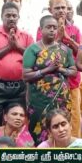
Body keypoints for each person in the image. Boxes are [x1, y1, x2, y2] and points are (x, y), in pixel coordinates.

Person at [23, 15, 76, 144]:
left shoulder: (65, 49)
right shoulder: (33, 49)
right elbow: (26, 75)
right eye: (48, 27)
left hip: (61, 97)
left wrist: (61, 70)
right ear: (41, 30)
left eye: (54, 27)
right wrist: (48, 69)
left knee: (62, 126)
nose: (52, 30)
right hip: (39, 99)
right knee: (38, 127)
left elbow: (74, 71)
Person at [36, 0, 82, 138]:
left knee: (74, 118)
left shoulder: (75, 29)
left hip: (72, 82)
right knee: (51, 117)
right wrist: (57, 38)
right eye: (57, 8)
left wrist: (67, 39)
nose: (61, 11)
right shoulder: (42, 29)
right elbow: (41, 53)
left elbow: (81, 53)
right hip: (50, 83)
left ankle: (74, 147)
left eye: (64, 7)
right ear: (50, 9)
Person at [0, 2, 34, 126]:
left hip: (19, 86)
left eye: (14, 15)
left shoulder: (26, 36)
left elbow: (35, 58)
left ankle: (14, 145)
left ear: (18, 17)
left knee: (18, 121)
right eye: (8, 15)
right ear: (2, 17)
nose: (11, 18)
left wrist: (18, 47)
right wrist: (8, 47)